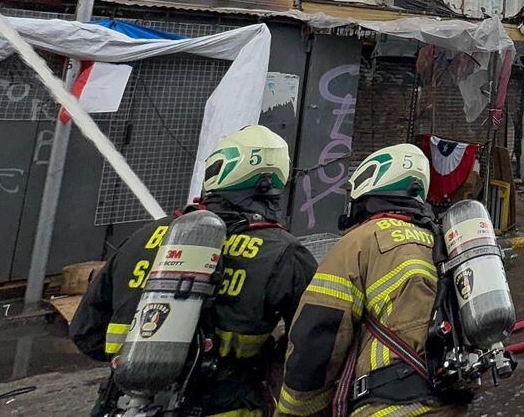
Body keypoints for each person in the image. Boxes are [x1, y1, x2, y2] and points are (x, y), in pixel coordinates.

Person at [72, 125, 316, 417]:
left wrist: (142, 365)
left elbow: (86, 332)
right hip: (225, 404)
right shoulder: (284, 253)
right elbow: (313, 346)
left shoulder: (142, 238)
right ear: (270, 182)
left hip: (120, 405)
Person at [276, 143, 467, 416]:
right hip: (450, 403)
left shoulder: (359, 241)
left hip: (387, 406)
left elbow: (319, 333)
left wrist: (294, 410)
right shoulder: (444, 242)